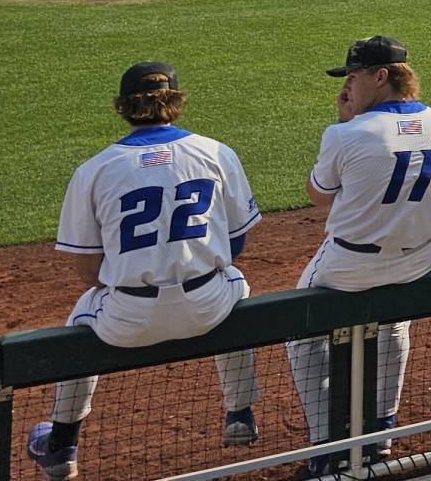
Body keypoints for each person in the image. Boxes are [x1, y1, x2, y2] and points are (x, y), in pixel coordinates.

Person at [26, 63, 263, 480]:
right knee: (237, 284)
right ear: (175, 102)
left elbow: (86, 267)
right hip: (209, 306)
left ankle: (62, 443)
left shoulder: (95, 169)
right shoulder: (215, 152)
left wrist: (131, 276)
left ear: (122, 107)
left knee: (82, 314)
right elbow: (237, 242)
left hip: (128, 320)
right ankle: (239, 413)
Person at [288, 38, 431, 477]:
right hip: (417, 262)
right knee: (394, 324)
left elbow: (319, 197)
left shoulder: (347, 133)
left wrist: (347, 123)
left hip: (348, 267)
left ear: (380, 77)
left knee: (298, 332)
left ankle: (327, 445)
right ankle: (382, 435)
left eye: (353, 76)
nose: (348, 86)